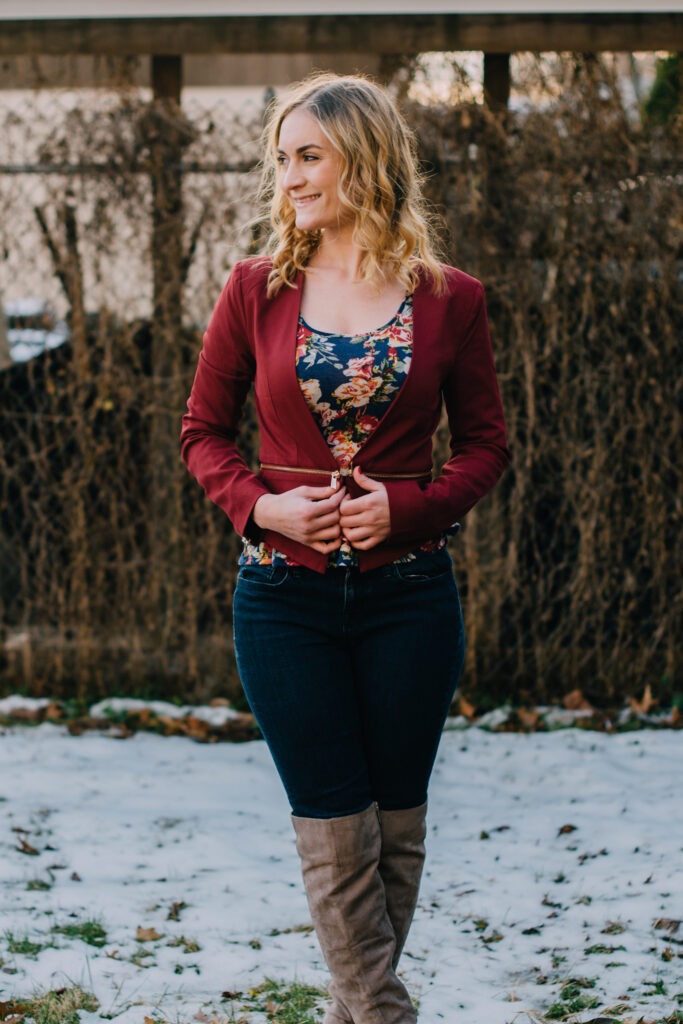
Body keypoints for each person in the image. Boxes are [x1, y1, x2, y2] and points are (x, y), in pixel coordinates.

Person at [180, 72, 510, 1024]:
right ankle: (379, 1012)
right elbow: (203, 431)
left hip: (409, 596)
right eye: (281, 159)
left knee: (393, 824)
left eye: (306, 156)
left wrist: (407, 512)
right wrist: (262, 510)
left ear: (363, 158)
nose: (287, 177)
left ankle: (354, 1007)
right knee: (333, 822)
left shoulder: (451, 300)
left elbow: (486, 445)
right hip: (282, 598)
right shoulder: (255, 289)